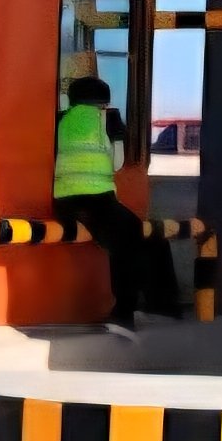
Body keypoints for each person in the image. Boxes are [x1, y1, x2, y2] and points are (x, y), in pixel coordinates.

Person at [53, 76, 175, 337]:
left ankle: (145, 309)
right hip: (99, 201)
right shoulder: (107, 120)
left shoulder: (60, 120)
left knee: (127, 240)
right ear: (103, 102)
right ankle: (126, 314)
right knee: (134, 240)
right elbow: (118, 163)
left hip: (63, 202)